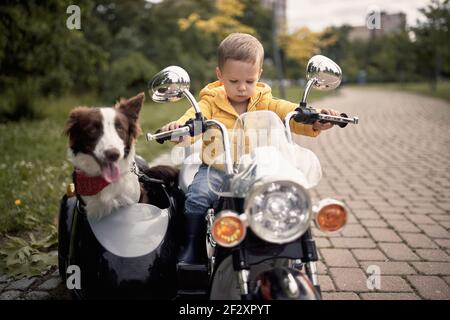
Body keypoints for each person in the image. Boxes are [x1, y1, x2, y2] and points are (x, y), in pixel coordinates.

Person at [160, 33, 338, 265]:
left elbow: (288, 112)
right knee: (197, 198)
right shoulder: (210, 102)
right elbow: (193, 118)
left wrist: (313, 119)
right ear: (220, 75)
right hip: (217, 170)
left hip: (258, 170)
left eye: (250, 81)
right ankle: (193, 248)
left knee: (285, 198)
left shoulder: (265, 101)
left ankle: (289, 246)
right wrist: (180, 128)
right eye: (234, 81)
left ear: (259, 76)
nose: (242, 88)